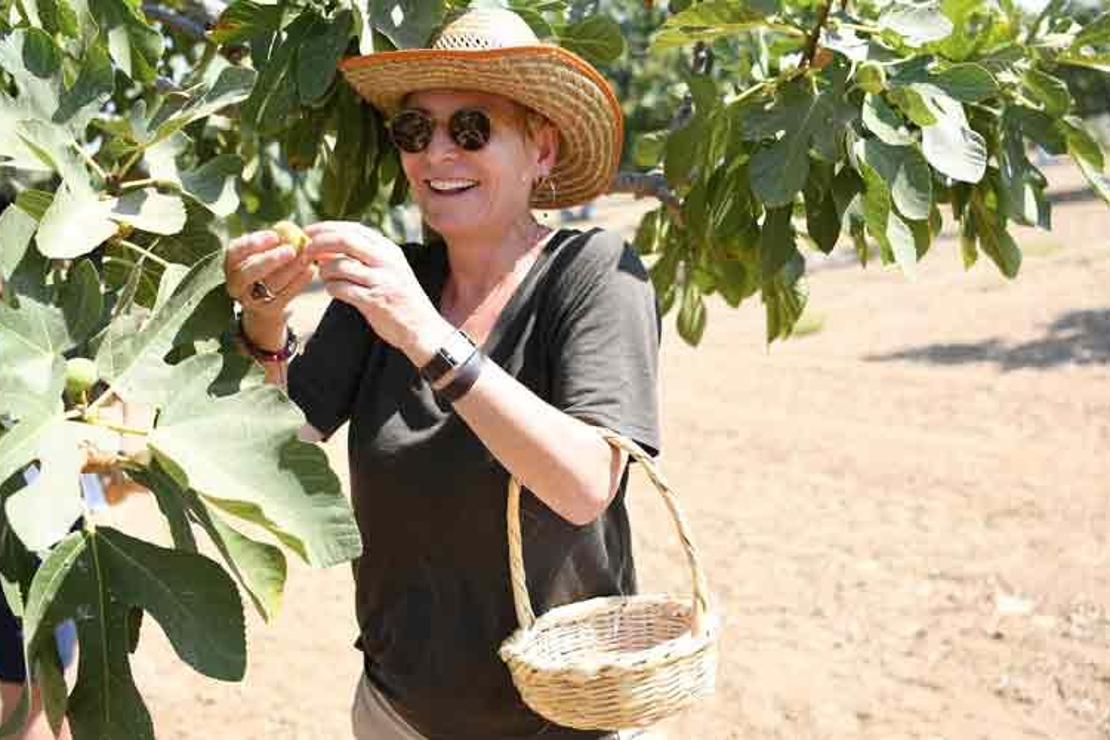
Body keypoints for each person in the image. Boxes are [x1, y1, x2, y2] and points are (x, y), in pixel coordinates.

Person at [223, 8, 661, 739]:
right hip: (399, 715)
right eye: (415, 131)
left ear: (542, 150)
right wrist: (264, 322)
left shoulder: (593, 274)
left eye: (471, 129)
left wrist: (425, 333)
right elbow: (277, 449)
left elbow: (585, 484)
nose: (437, 155)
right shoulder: (393, 283)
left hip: (567, 723)